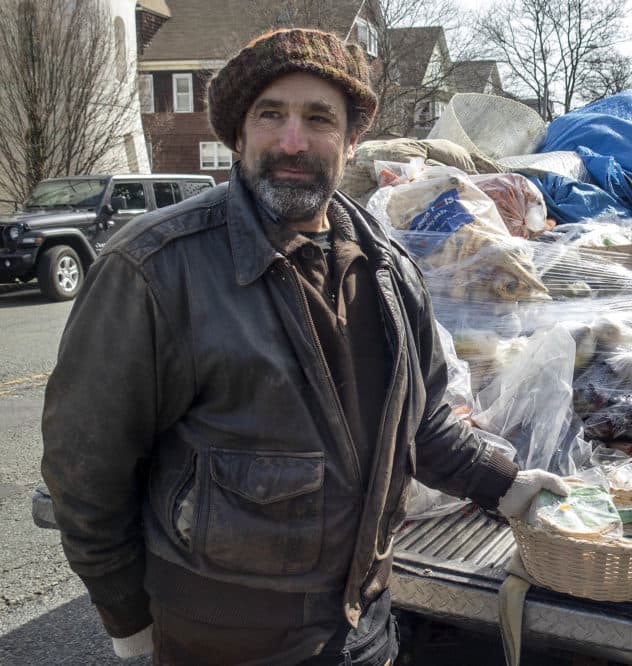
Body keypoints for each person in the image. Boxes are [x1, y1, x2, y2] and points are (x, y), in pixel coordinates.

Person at [40, 28, 567, 665]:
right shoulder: (153, 271)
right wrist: (127, 620)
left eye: (318, 118)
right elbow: (86, 474)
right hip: (222, 643)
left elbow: (422, 422)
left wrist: (506, 485)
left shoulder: (388, 269)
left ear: (350, 142)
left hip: (365, 630)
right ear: (238, 136)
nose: (293, 141)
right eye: (271, 115)